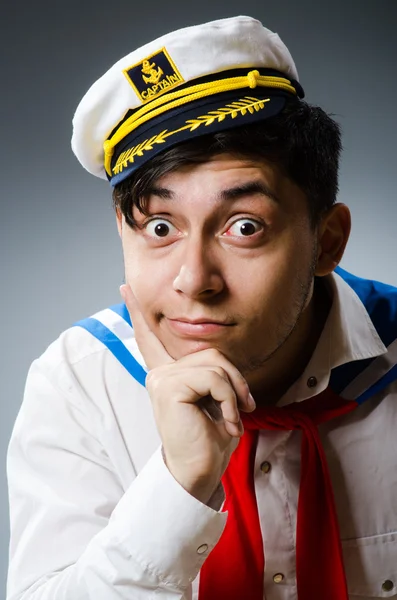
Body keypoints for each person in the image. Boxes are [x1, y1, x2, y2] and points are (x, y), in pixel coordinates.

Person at [6, 14, 397, 600]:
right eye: (160, 226)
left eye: (244, 227)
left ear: (327, 241)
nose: (195, 280)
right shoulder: (80, 383)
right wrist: (178, 486)